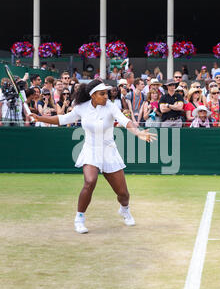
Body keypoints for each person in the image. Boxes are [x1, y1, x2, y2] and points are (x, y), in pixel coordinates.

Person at [31, 79, 157, 234]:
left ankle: (124, 209)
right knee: (90, 181)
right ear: (93, 96)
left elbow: (125, 121)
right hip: (90, 149)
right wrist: (39, 118)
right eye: (102, 94)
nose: (106, 96)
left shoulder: (111, 107)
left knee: (123, 194)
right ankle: (79, 218)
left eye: (106, 93)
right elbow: (62, 119)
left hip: (109, 151)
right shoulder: (81, 108)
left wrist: (138, 132)